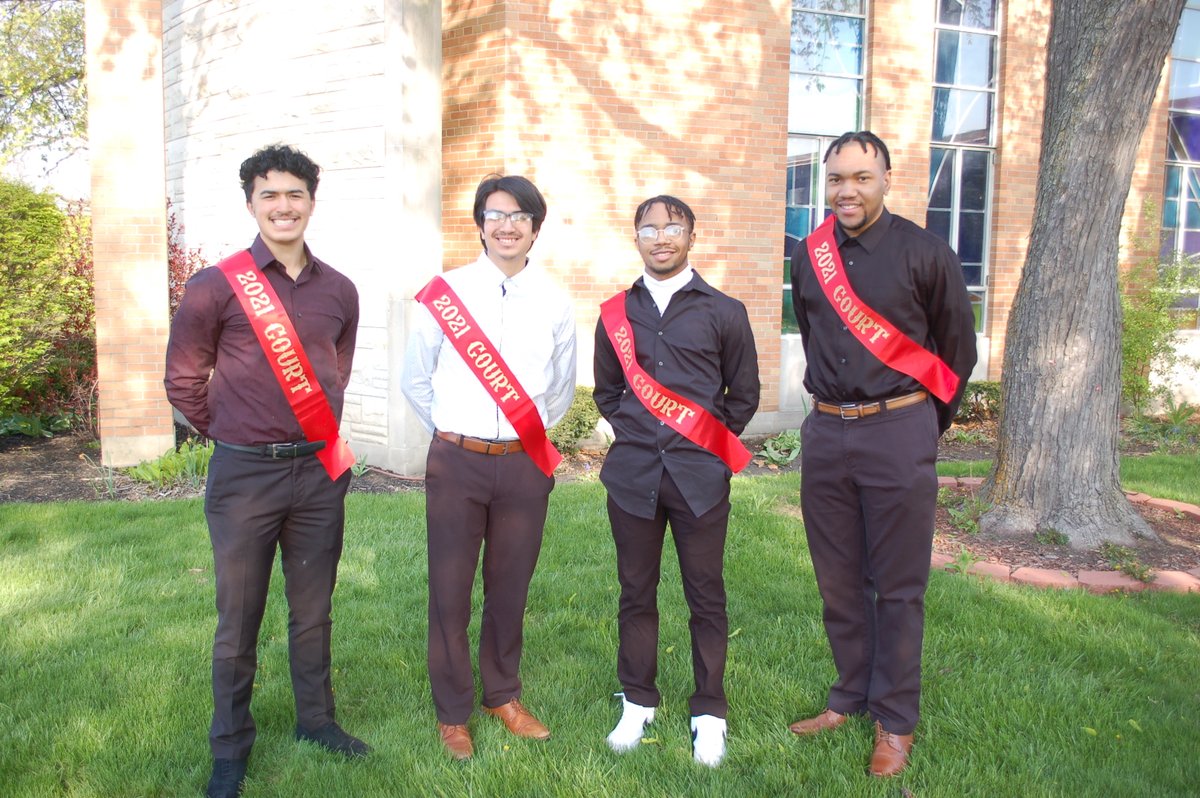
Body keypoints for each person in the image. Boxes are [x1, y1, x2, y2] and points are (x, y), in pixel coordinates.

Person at [165, 144, 367, 798]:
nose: (284, 206)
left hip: (316, 477)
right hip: (244, 478)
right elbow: (184, 380)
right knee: (239, 619)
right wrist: (233, 430)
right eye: (269, 194)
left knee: (313, 612)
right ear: (251, 202)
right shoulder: (214, 286)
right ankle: (230, 750)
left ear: (312, 200)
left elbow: (337, 369)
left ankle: (318, 722)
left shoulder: (340, 290)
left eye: (295, 194)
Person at [787, 131, 977, 777]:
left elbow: (957, 353)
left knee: (897, 587)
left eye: (861, 178)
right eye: (836, 178)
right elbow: (813, 334)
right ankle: (849, 696)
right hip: (828, 432)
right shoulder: (810, 256)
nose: (847, 190)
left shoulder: (927, 253)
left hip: (898, 430)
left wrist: (922, 427)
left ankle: (895, 722)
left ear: (888, 179)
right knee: (840, 581)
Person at [401, 174, 577, 761]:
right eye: (496, 214)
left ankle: (501, 694)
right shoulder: (444, 293)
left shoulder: (554, 299)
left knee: (510, 586)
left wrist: (520, 434)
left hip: (524, 465)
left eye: (519, 216)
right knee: (449, 590)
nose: (507, 226)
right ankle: (452, 713)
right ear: (480, 223)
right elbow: (415, 380)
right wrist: (457, 429)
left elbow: (559, 388)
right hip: (457, 462)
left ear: (534, 227)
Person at [593, 195, 760, 767]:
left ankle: (709, 710)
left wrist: (705, 446)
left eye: (672, 227)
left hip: (700, 479)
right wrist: (640, 432)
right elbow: (607, 392)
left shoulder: (725, 311)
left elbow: (745, 395)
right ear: (635, 236)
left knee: (706, 596)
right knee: (635, 593)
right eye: (649, 228)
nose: (661, 237)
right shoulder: (615, 312)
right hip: (633, 477)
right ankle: (637, 699)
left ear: (691, 234)